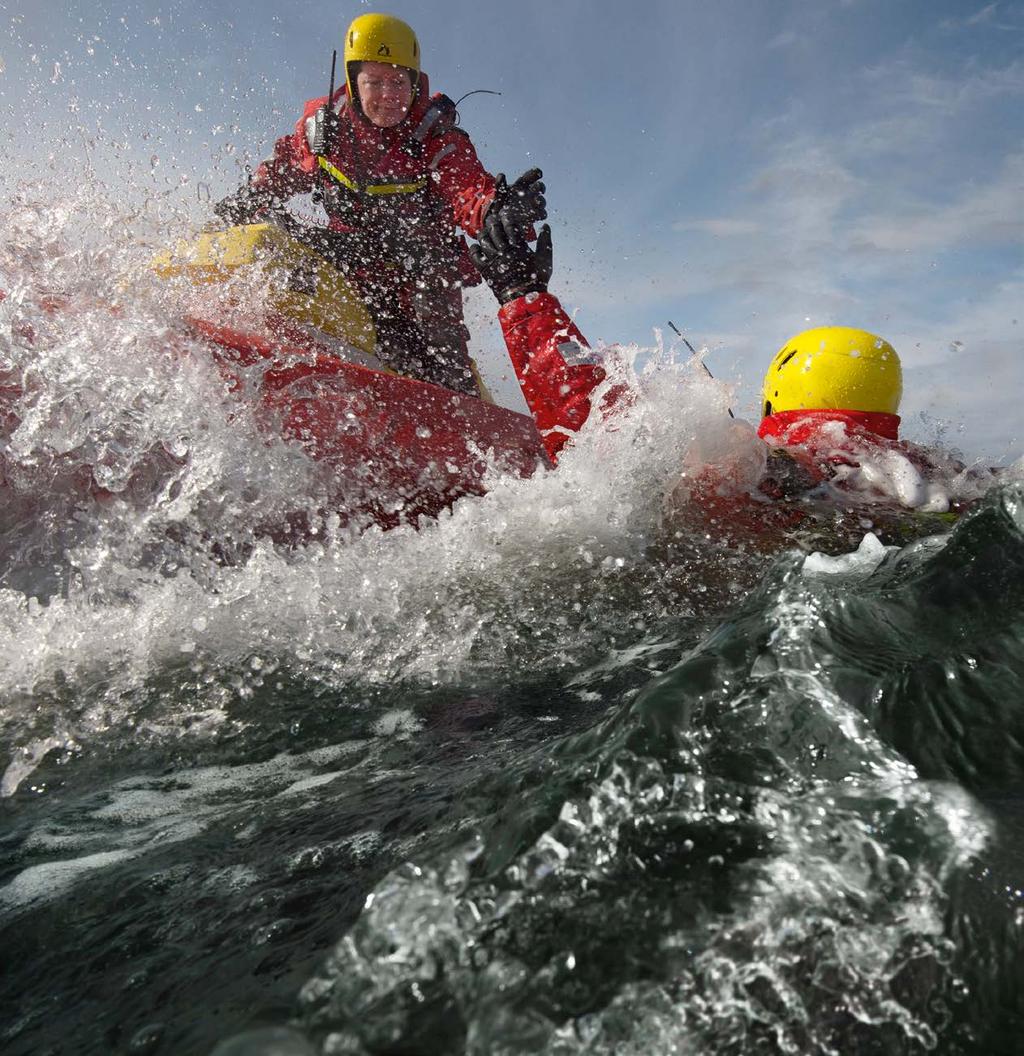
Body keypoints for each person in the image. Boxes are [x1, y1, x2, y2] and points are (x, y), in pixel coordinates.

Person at [469, 214, 980, 543]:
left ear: (778, 397)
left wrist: (523, 296)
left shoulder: (771, 470)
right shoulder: (935, 475)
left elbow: (607, 444)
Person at [214, 12, 545, 396]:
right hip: (351, 259)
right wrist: (246, 200)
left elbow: (469, 190)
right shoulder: (325, 131)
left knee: (431, 312)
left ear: (414, 83)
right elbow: (283, 171)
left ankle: (455, 397)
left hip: (421, 274)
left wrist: (500, 210)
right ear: (355, 84)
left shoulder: (437, 136)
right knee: (276, 235)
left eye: (398, 82)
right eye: (375, 82)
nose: (388, 95)